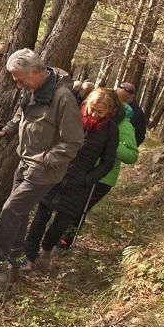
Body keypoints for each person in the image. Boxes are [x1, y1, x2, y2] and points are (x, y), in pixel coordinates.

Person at [0, 48, 84, 277]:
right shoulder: (32, 89)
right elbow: (21, 114)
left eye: (20, 79)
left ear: (35, 72)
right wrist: (7, 130)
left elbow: (73, 142)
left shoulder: (62, 97)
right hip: (24, 161)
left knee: (11, 208)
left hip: (44, 169)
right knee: (20, 211)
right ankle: (16, 252)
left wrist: (45, 159)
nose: (17, 84)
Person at [20, 88, 120, 270]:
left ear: (108, 111)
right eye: (92, 108)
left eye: (100, 111)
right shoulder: (72, 116)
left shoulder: (110, 130)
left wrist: (88, 179)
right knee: (41, 216)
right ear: (86, 103)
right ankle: (28, 256)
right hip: (54, 173)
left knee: (62, 223)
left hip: (79, 183)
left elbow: (108, 162)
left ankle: (47, 249)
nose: (94, 114)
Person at [60, 98, 139, 250]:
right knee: (66, 204)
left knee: (79, 208)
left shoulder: (125, 126)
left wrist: (112, 145)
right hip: (79, 170)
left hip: (103, 178)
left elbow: (132, 156)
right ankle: (54, 236)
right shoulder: (92, 118)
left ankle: (65, 240)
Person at [115, 81, 147, 145]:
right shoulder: (109, 104)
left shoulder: (138, 114)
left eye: (123, 100)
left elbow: (139, 137)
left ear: (131, 97)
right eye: (117, 98)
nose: (119, 102)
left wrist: (124, 145)